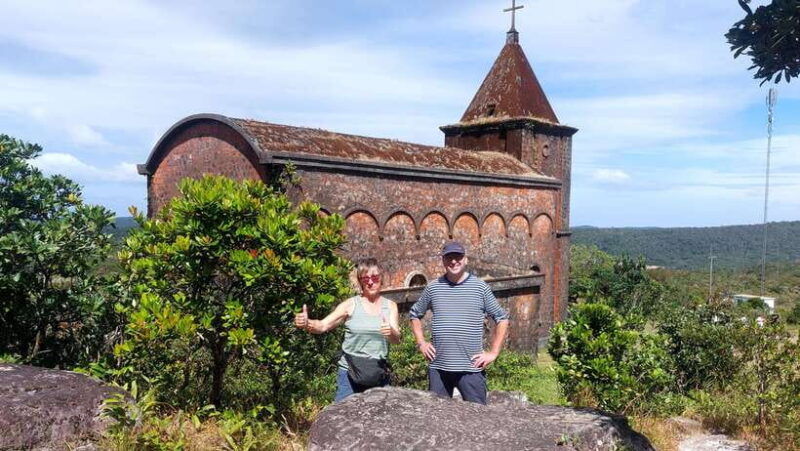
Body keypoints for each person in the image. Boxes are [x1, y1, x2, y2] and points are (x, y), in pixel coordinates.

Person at [409, 241, 509, 405]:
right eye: (449, 257)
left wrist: (494, 352)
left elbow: (501, 318)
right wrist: (421, 343)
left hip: (471, 368)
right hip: (439, 368)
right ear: (443, 261)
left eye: (458, 257)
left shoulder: (480, 288)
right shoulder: (433, 288)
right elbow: (414, 314)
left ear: (465, 259)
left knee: (478, 418)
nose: (454, 261)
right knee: (437, 417)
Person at [294, 258, 400, 402]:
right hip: (350, 373)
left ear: (381, 278)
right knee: (342, 420)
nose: (370, 282)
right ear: (360, 281)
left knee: (382, 420)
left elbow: (396, 339)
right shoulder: (350, 305)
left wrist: (391, 332)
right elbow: (323, 325)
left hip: (378, 374)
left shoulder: (391, 306)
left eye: (374, 277)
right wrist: (307, 323)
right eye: (365, 278)